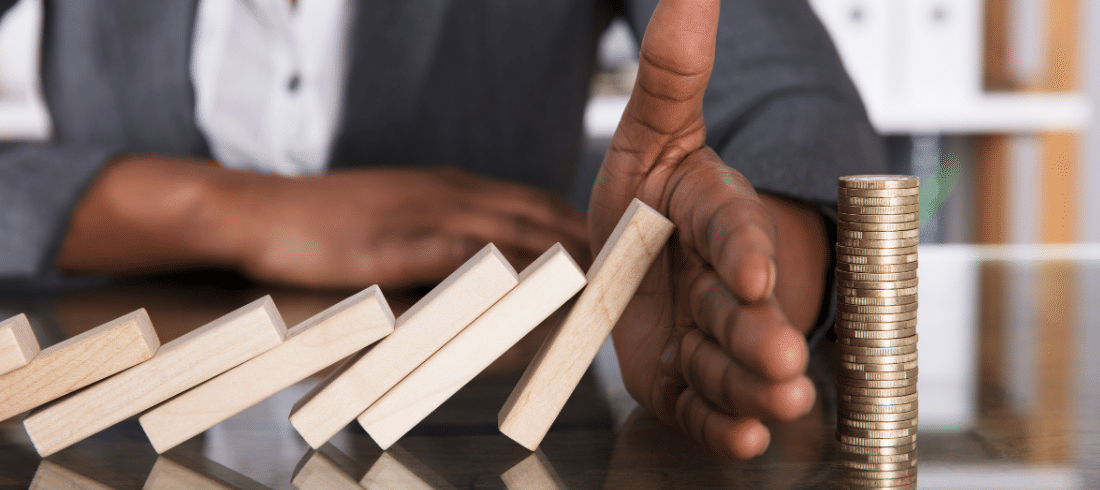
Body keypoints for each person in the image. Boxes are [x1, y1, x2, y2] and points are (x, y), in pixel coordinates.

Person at [0, 0, 885, 459]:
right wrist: (211, 208)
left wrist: (755, 265)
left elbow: (795, 102)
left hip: (465, 417)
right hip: (109, 414)